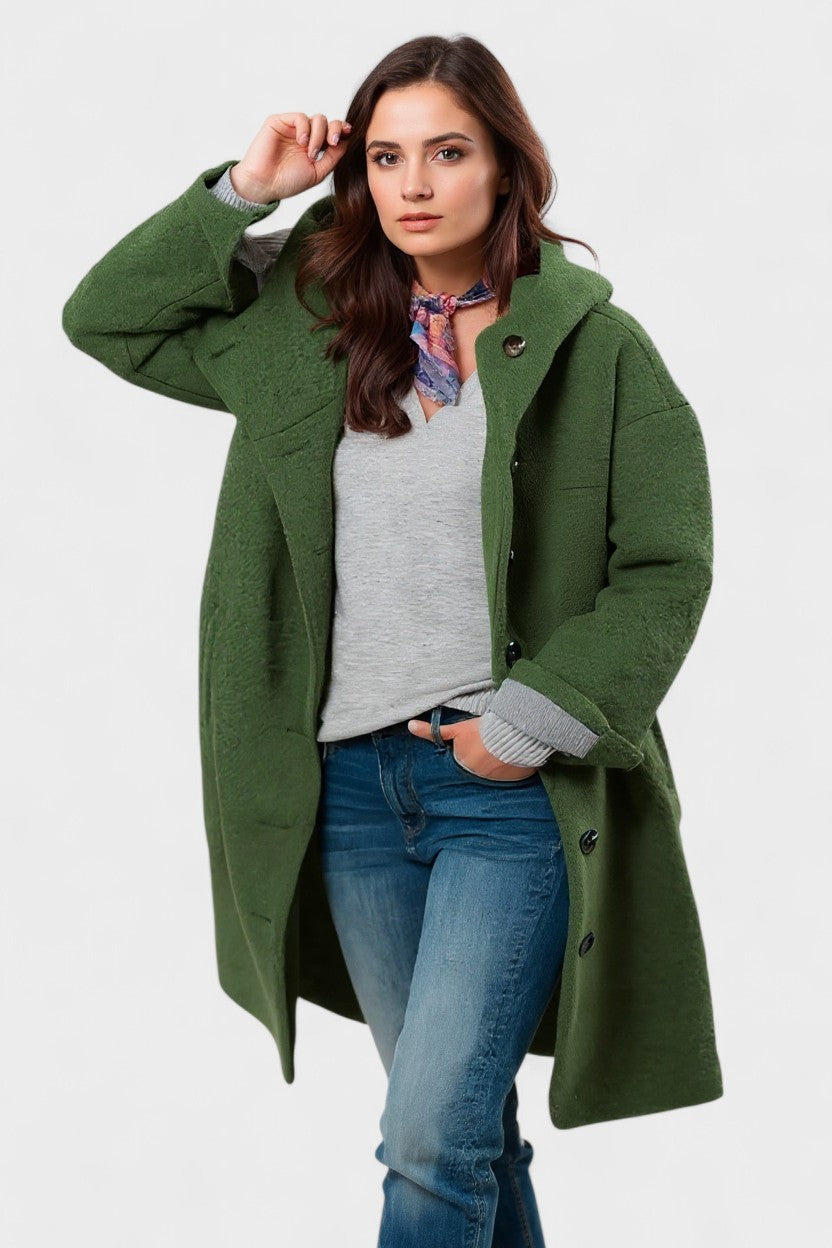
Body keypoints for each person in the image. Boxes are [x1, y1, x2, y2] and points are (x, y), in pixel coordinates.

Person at [62, 33, 723, 1248]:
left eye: (447, 152)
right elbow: (108, 320)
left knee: (427, 1140)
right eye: (383, 156)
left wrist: (524, 727)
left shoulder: (595, 350)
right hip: (349, 794)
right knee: (463, 1134)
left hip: (506, 788)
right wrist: (245, 193)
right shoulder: (304, 329)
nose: (413, 184)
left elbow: (666, 564)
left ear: (505, 166)